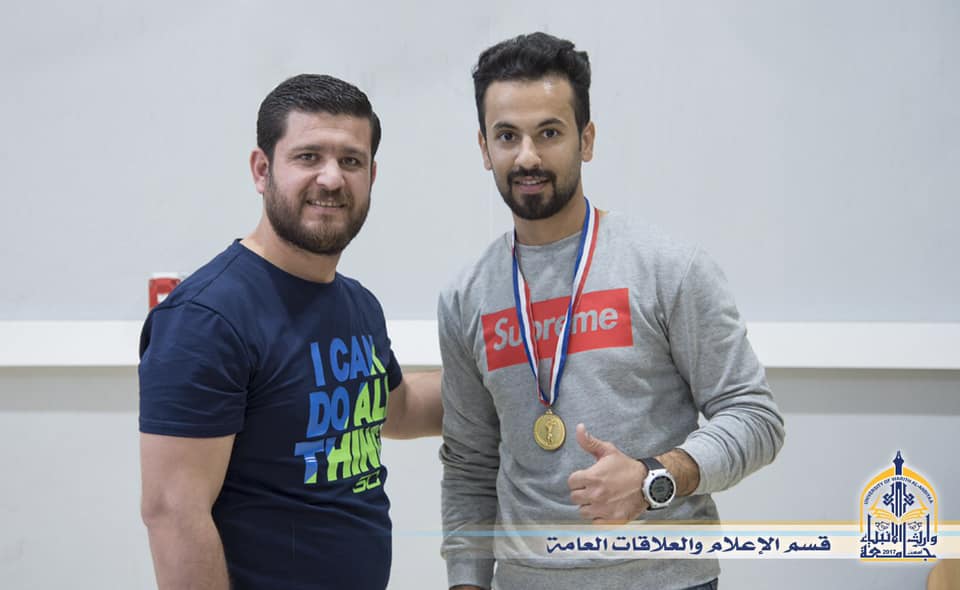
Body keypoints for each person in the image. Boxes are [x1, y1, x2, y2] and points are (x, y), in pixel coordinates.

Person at [438, 33, 785, 590]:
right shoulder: (466, 296)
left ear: (587, 140)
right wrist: (466, 581)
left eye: (549, 132)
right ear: (484, 148)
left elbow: (755, 418)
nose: (527, 156)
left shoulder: (668, 267)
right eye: (507, 136)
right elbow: (469, 464)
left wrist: (652, 479)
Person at [139, 74, 442, 590]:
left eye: (351, 161)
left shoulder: (358, 304)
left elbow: (400, 408)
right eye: (308, 157)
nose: (332, 178)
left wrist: (516, 379)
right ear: (262, 170)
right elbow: (173, 512)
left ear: (372, 175)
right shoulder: (207, 319)